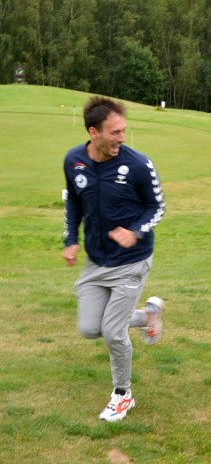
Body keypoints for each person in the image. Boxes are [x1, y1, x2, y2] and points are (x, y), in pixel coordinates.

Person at [62, 96, 166, 422]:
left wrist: (134, 231)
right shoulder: (74, 161)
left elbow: (157, 207)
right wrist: (70, 241)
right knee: (90, 328)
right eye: (114, 132)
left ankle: (123, 395)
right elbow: (74, 205)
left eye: (123, 130)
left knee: (112, 332)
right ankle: (148, 316)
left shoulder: (137, 164)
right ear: (94, 132)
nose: (121, 138)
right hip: (96, 261)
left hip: (131, 260)